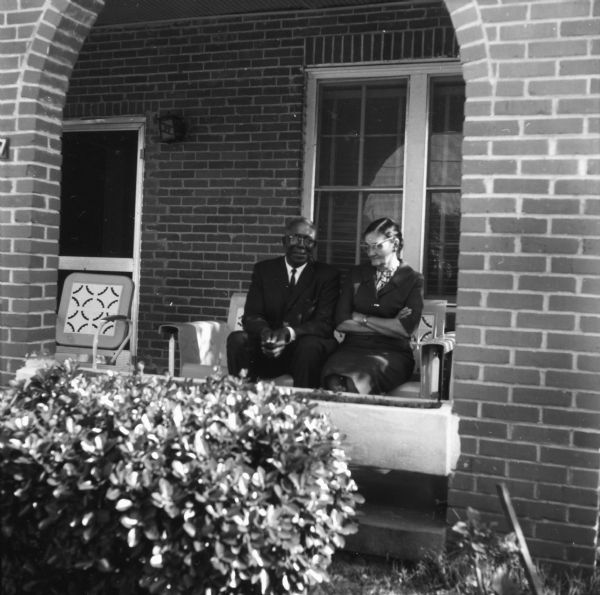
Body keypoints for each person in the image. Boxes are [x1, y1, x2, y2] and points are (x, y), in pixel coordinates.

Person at [227, 216, 340, 388]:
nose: (301, 245)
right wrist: (265, 333)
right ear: (284, 242)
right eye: (295, 238)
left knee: (310, 347)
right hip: (268, 348)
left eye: (308, 240)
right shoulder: (264, 270)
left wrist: (288, 333)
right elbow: (251, 315)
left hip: (302, 351)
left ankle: (303, 408)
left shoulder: (327, 275)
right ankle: (243, 401)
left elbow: (324, 324)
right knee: (237, 340)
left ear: (314, 246)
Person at [321, 217, 424, 395]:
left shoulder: (413, 279)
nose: (370, 252)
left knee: (352, 384)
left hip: (391, 354)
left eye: (377, 246)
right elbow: (340, 321)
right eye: (367, 246)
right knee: (333, 380)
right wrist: (390, 324)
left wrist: (361, 318)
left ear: (395, 244)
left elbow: (405, 329)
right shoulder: (356, 275)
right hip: (350, 350)